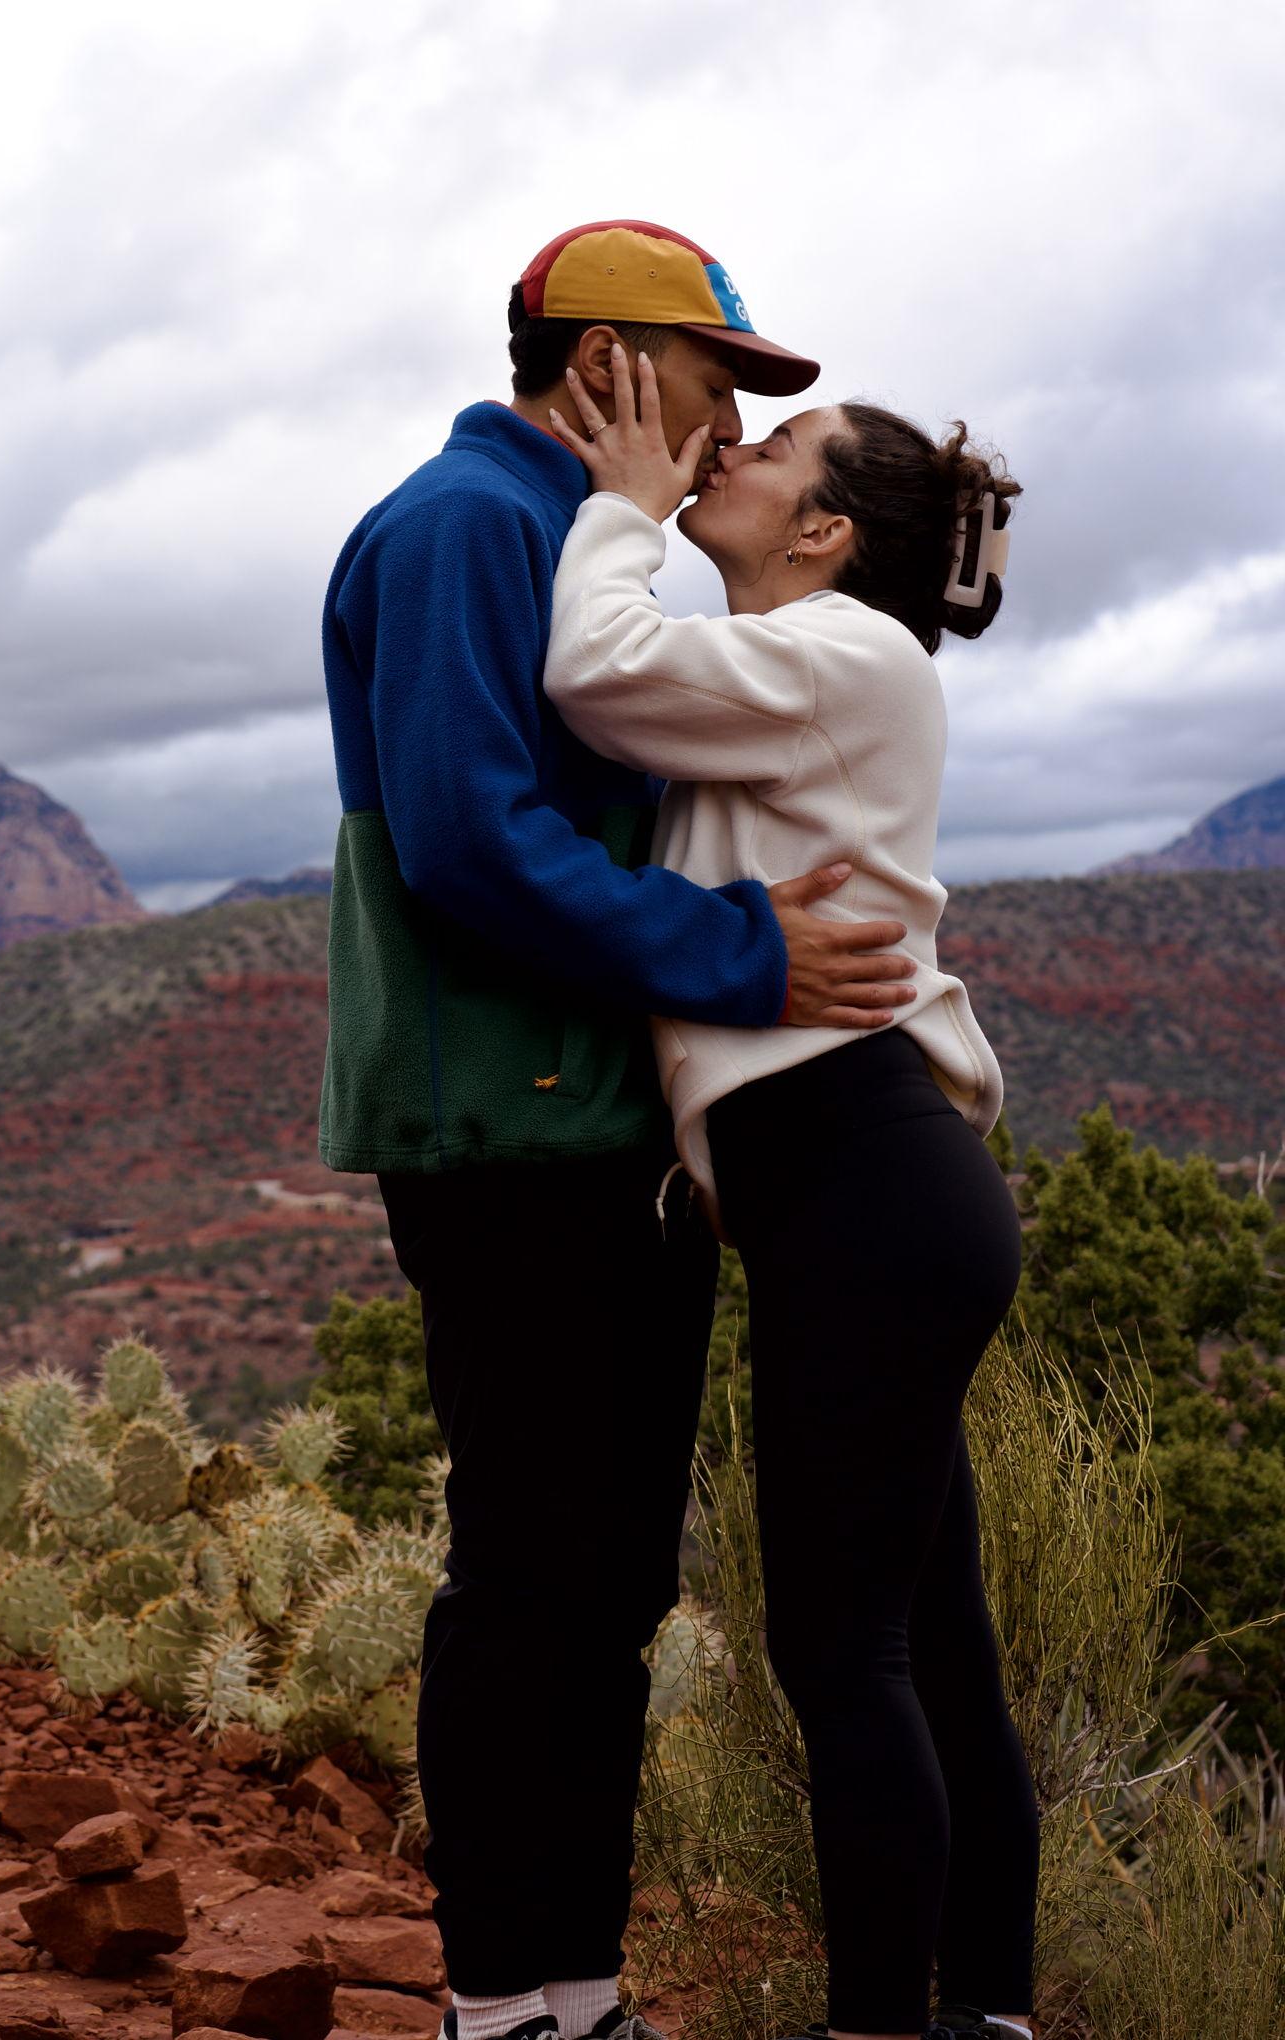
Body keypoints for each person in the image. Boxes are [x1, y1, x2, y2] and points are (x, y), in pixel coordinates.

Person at [318, 220, 922, 2040]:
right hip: (515, 1133)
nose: (733, 420)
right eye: (720, 375)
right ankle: (500, 2010)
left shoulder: (564, 545)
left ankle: (573, 1999)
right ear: (610, 364)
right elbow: (467, 839)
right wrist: (747, 955)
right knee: (531, 1579)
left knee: (605, 1585)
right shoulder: (465, 528)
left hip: (601, 1138)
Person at [539, 347, 1037, 2040]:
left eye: (773, 452)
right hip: (875, 1189)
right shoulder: (815, 653)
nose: (729, 455)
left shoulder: (837, 650)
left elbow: (598, 672)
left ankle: (884, 2028)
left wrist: (617, 508)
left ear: (822, 534)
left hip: (862, 1185)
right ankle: (989, 2015)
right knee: (928, 1644)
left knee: (846, 1656)